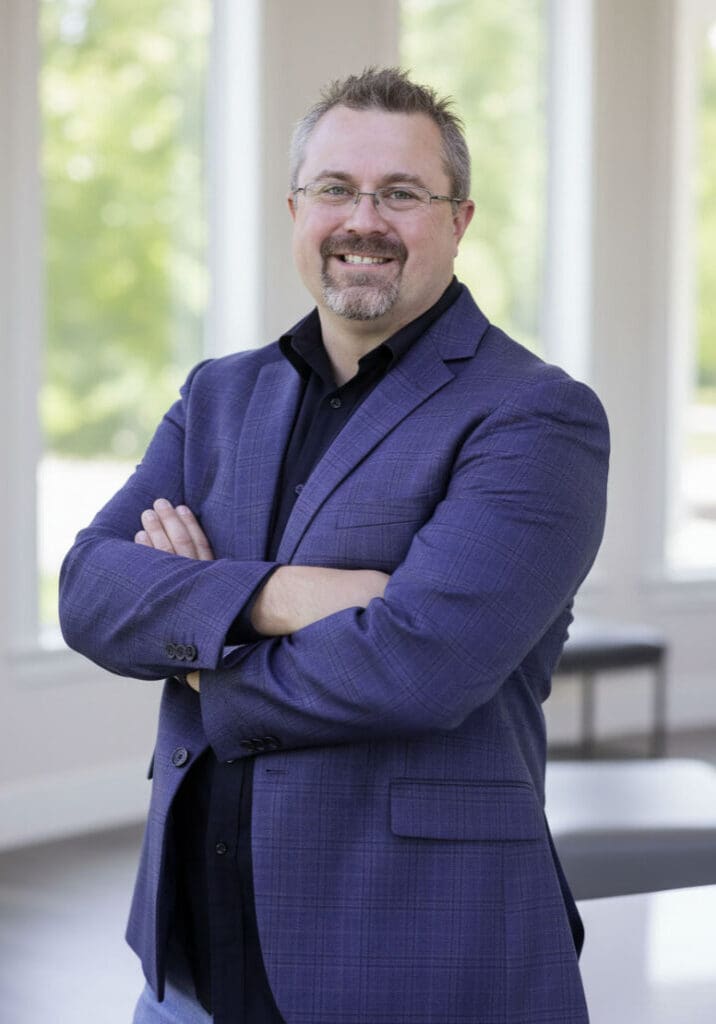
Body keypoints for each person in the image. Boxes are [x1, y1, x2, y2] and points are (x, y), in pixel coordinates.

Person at [59, 67, 609, 1024]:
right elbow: (88, 589)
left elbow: (417, 666)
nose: (365, 219)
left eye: (402, 193)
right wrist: (276, 599)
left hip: (411, 960)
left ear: (460, 218)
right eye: (335, 190)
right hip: (189, 968)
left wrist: (197, 653)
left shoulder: (534, 416)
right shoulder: (219, 396)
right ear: (295, 208)